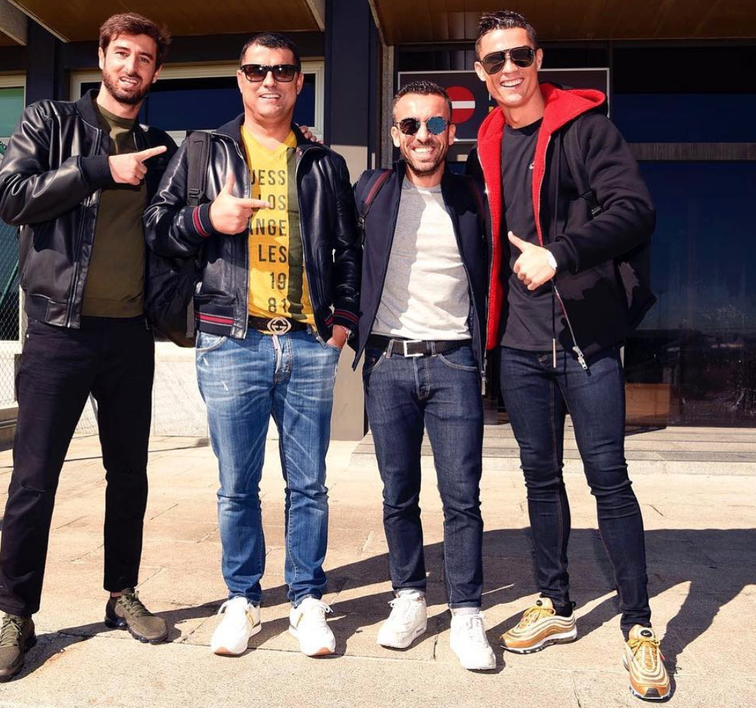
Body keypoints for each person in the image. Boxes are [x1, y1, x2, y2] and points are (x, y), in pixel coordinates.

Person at [472, 9, 670, 701]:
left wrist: (560, 253)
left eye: (519, 55)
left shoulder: (587, 130)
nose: (508, 69)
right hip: (518, 346)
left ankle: (639, 626)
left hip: (585, 341)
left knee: (609, 481)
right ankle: (555, 604)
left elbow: (634, 210)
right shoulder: (486, 143)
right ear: (481, 73)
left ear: (539, 58)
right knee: (539, 479)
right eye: (494, 61)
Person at [143, 32, 360, 658]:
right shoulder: (203, 150)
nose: (270, 81)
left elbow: (348, 248)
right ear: (240, 79)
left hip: (309, 342)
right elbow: (156, 227)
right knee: (236, 485)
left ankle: (306, 599)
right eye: (257, 70)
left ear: (299, 83)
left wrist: (343, 319)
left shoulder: (323, 163)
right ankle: (241, 598)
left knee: (309, 485)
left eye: (283, 71)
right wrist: (207, 219)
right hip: (230, 341)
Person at [0, 12, 177, 681]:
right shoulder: (51, 121)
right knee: (33, 480)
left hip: (129, 336)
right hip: (56, 332)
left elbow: (177, 228)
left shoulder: (161, 147)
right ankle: (17, 615)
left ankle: (122, 592)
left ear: (155, 71)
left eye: (145, 58)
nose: (132, 67)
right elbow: (12, 198)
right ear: (102, 57)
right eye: (122, 53)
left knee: (129, 475)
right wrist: (97, 169)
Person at [353, 81, 494, 671]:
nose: (423, 136)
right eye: (410, 125)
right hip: (387, 362)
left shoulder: (473, 197)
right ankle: (409, 596)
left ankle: (466, 611)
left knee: (462, 497)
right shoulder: (372, 190)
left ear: (451, 132)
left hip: (454, 361)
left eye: (434, 124)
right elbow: (338, 254)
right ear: (395, 134)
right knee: (398, 493)